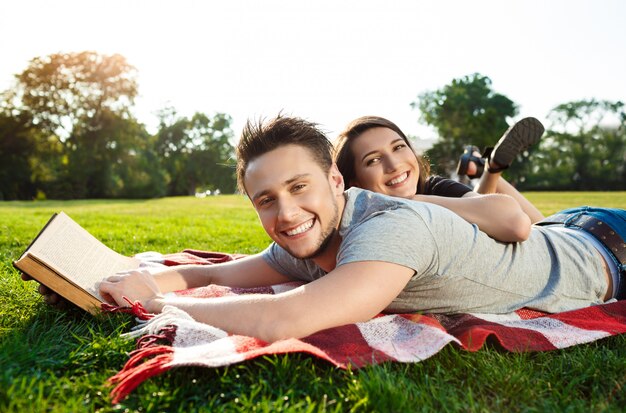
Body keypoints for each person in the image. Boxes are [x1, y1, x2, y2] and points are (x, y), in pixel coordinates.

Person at [93, 114, 626, 343]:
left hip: (609, 250)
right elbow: (231, 272)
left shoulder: (391, 227)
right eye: (266, 200)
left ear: (333, 179)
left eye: (300, 188)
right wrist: (152, 279)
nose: (285, 214)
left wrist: (154, 306)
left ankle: (490, 174)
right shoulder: (309, 235)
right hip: (568, 230)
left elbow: (286, 317)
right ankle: (490, 175)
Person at [333, 116, 544, 243]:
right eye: (374, 160)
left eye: (399, 147)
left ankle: (490, 168)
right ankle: (486, 167)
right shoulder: (354, 228)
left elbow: (515, 224)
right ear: (354, 183)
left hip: (566, 234)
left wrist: (412, 201)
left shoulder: (433, 187)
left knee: (544, 229)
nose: (395, 164)